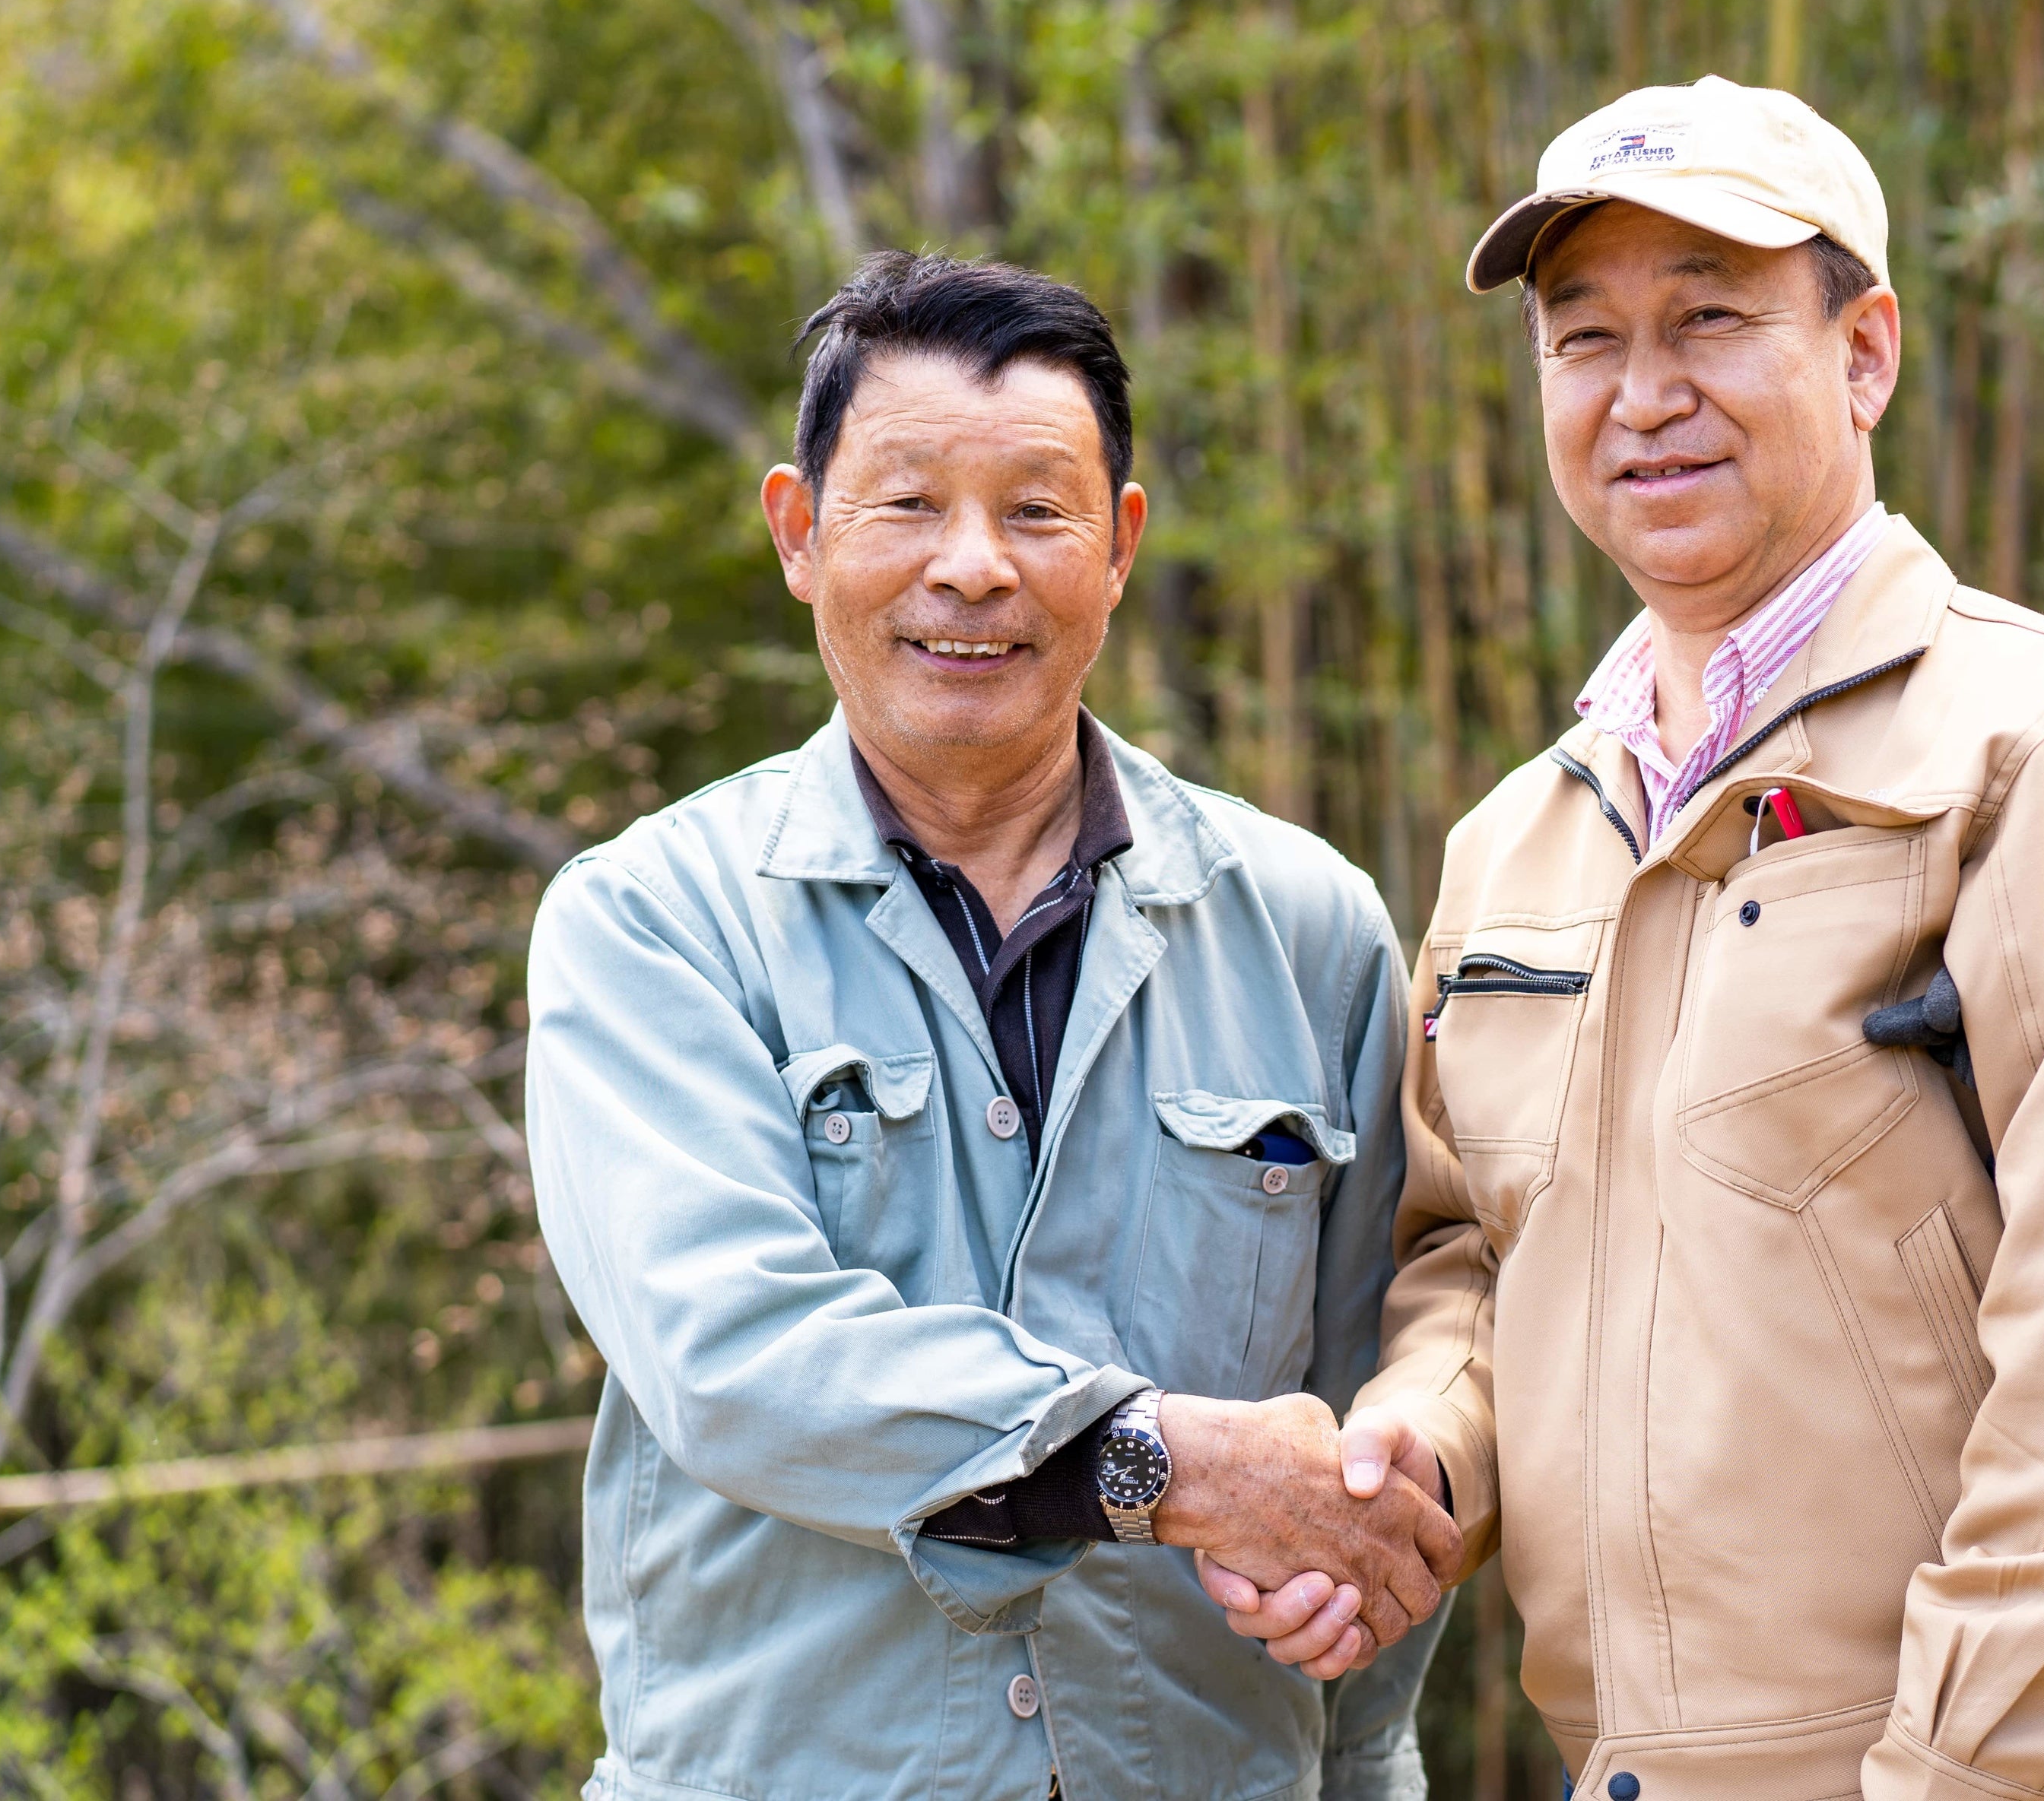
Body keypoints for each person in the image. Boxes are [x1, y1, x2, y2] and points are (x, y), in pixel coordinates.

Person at [1207, 78, 2044, 1801]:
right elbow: (1476, 1262)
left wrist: (1951, 1770)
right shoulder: (1523, 836)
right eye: (1584, 340)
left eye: (1711, 322)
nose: (1645, 396)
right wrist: (1419, 1456)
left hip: (2016, 1772)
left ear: (1865, 349)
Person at [525, 251, 1458, 1801]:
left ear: (1121, 547)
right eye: (907, 503)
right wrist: (1162, 1463)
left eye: (1037, 511)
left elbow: (1363, 1451)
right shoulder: (653, 922)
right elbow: (737, 1359)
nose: (974, 566)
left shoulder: (1312, 931)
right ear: (798, 532)